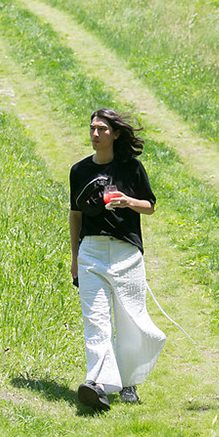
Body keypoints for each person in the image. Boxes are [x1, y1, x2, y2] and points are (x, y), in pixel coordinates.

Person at [70, 109, 166, 411]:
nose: (95, 134)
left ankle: (128, 381)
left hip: (126, 252)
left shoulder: (131, 168)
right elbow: (75, 216)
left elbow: (150, 206)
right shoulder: (79, 170)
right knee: (96, 320)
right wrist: (75, 257)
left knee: (130, 320)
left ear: (115, 133)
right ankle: (98, 384)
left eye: (102, 129)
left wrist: (128, 201)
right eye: (92, 128)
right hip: (91, 252)